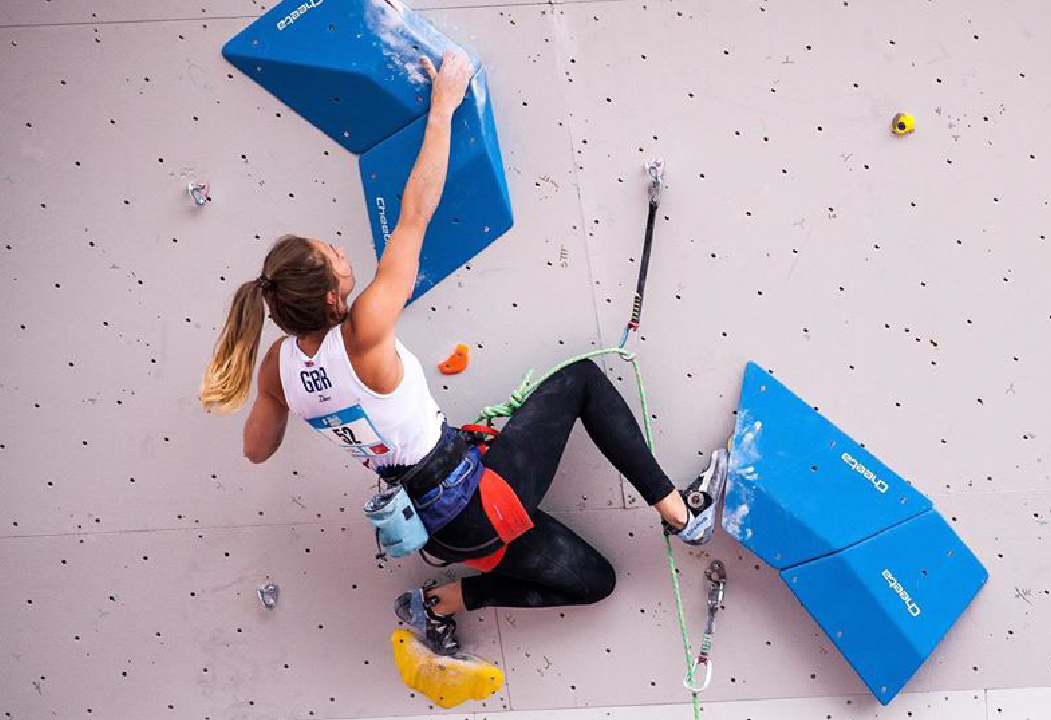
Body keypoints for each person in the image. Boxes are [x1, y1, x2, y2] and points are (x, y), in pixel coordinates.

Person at [198, 51, 727, 658]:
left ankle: (444, 601)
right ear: (330, 292)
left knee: (596, 582)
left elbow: (255, 449)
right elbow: (415, 214)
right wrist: (444, 104)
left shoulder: (280, 369)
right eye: (335, 254)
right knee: (582, 379)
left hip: (443, 534)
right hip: (476, 499)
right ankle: (681, 515)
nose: (344, 250)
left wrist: (280, 398)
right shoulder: (364, 330)